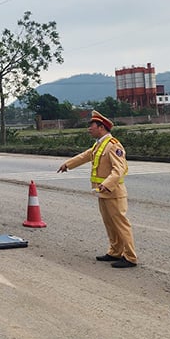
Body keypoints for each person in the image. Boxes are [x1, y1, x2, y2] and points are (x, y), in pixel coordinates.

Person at [57, 110, 138, 268]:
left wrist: (107, 184)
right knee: (110, 224)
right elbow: (85, 156)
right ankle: (115, 251)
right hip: (103, 194)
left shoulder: (113, 146)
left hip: (113, 193)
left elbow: (119, 169)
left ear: (101, 127)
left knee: (121, 225)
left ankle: (130, 257)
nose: (89, 129)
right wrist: (68, 164)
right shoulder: (99, 145)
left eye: (91, 126)